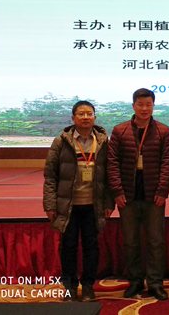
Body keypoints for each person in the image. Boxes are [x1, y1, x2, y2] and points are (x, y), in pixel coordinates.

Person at [43, 100, 114, 302]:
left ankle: (89, 286)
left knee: (92, 247)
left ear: (95, 118)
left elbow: (110, 176)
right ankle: (70, 287)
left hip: (93, 205)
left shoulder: (103, 143)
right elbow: (50, 176)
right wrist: (50, 205)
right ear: (73, 118)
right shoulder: (61, 142)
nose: (85, 117)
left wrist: (109, 203)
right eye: (81, 114)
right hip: (68, 206)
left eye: (89, 114)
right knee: (68, 247)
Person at [108, 88, 169, 301]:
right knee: (130, 241)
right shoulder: (119, 131)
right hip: (127, 196)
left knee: (156, 242)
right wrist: (117, 191)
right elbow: (112, 164)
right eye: (140, 105)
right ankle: (135, 282)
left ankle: (155, 283)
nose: (144, 109)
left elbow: (167, 163)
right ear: (133, 106)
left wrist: (162, 191)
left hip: (154, 196)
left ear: (153, 106)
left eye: (148, 105)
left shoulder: (163, 131)